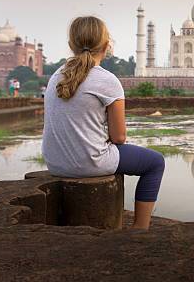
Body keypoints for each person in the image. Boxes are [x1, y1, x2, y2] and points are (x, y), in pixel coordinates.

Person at [42, 16, 164, 230]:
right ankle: (140, 229)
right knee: (155, 163)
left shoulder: (55, 76)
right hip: (89, 163)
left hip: (55, 162)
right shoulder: (107, 80)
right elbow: (119, 137)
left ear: (71, 45)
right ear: (107, 46)